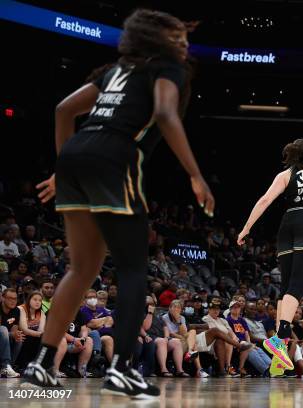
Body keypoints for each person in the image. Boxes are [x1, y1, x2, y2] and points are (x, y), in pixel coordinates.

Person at [22, 9, 215, 398]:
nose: (185, 42)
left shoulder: (114, 71)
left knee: (82, 269)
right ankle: (122, 367)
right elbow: (163, 113)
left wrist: (65, 168)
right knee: (132, 268)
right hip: (114, 158)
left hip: (76, 156)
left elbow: (64, 110)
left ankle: (42, 364)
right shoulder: (167, 70)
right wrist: (195, 173)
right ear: (161, 41)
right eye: (178, 35)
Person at [237, 100, 303, 373]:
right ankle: (280, 338)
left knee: (286, 287)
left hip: (288, 222)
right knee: (297, 284)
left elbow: (264, 200)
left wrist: (246, 227)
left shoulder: (285, 174)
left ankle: (279, 350)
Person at [162, 300, 205, 377]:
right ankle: (199, 369)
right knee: (193, 343)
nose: (176, 309)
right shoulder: (164, 318)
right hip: (173, 342)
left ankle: (189, 352)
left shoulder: (182, 318)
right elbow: (171, 334)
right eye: (174, 307)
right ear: (169, 308)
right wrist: (183, 337)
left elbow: (184, 333)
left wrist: (179, 321)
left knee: (192, 331)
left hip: (182, 340)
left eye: (178, 307)